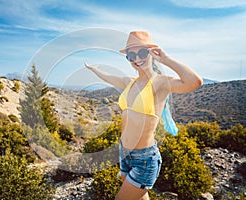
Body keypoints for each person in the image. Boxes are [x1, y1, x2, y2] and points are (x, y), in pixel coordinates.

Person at [84, 31, 203, 200]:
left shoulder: (160, 83)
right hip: (124, 153)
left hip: (144, 159)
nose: (136, 58)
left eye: (142, 52)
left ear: (151, 53)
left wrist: (166, 59)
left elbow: (194, 82)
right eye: (131, 55)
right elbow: (109, 78)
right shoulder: (129, 82)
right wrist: (94, 69)